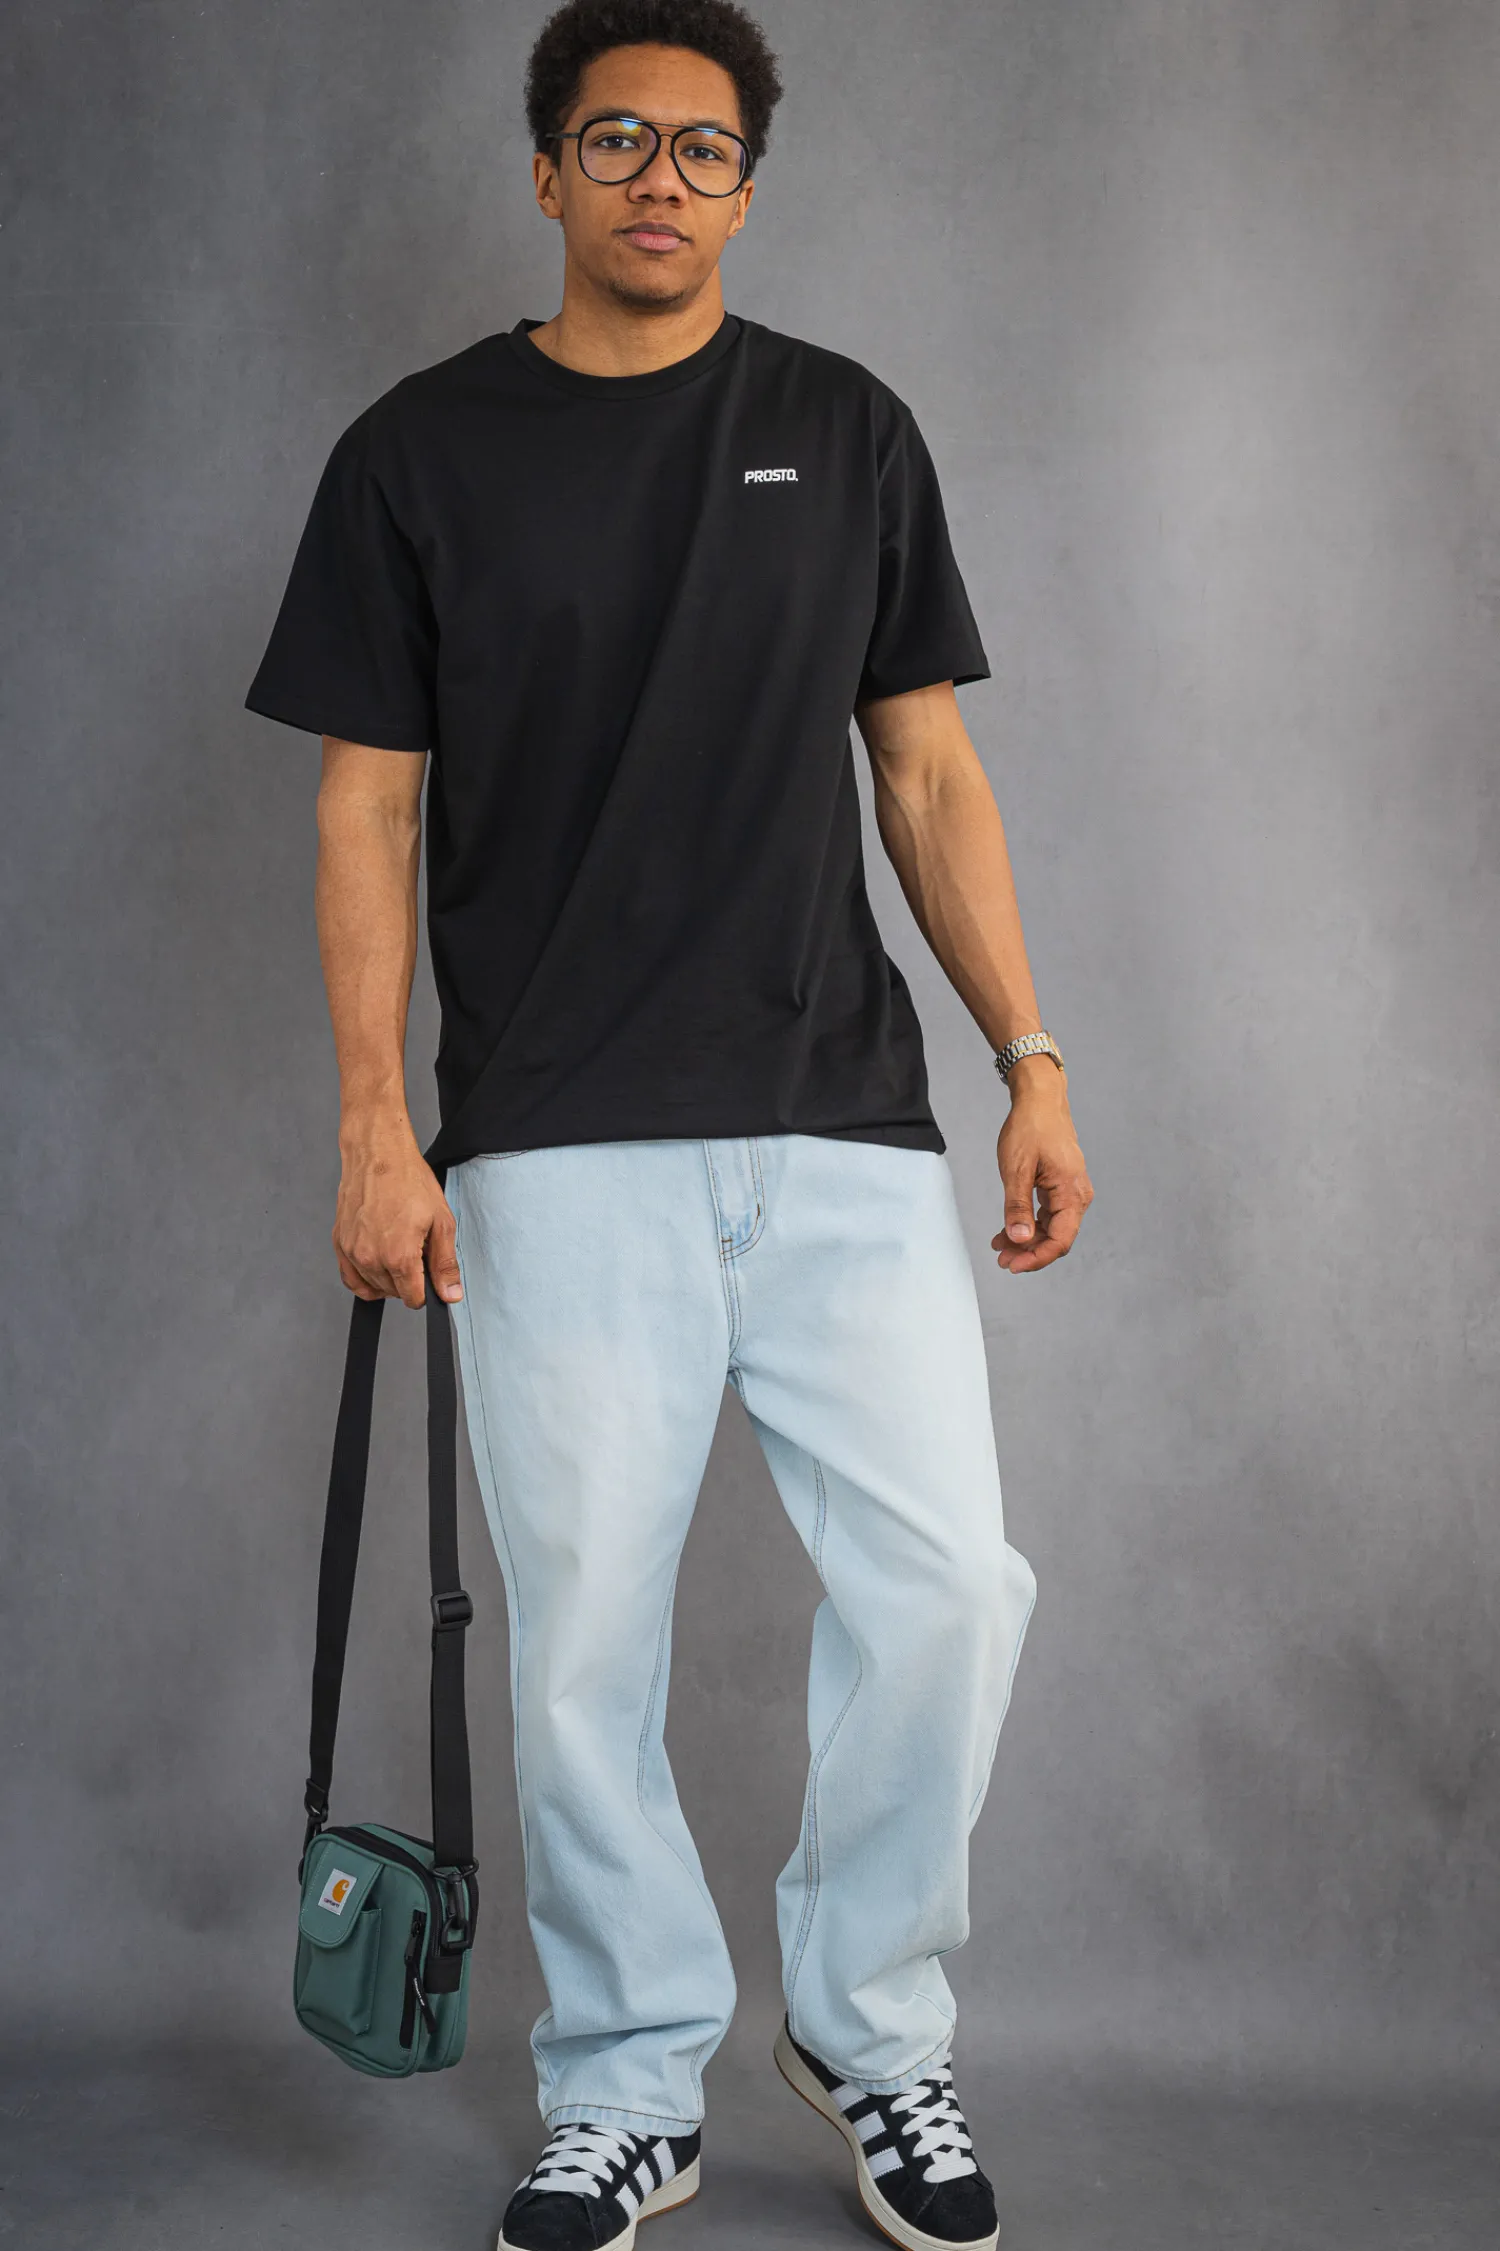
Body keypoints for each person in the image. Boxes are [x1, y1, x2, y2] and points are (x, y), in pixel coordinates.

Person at [245, 2, 1093, 2244]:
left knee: (951, 1590)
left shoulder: (847, 427)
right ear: (546, 173)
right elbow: (364, 809)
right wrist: (372, 1122)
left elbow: (927, 774)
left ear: (748, 187)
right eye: (614, 138)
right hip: (551, 1139)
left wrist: (1030, 1054)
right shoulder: (417, 455)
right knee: (582, 1653)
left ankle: (869, 2027)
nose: (659, 177)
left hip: (839, 1118)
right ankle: (628, 2084)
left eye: (704, 148)